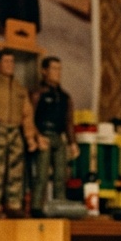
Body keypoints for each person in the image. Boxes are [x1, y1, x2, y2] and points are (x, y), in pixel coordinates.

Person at [0, 48, 38, 217]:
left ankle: (13, 204)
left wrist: (30, 137)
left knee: (16, 169)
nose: (10, 65)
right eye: (6, 61)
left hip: (16, 131)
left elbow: (27, 115)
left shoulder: (20, 89)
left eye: (12, 62)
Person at [30, 56, 79, 216]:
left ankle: (60, 204)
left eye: (59, 69)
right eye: (53, 69)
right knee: (41, 175)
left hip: (58, 138)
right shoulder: (37, 93)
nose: (57, 73)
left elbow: (68, 122)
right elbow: (28, 118)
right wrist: (37, 136)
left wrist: (72, 143)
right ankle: (36, 206)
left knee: (60, 174)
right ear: (44, 71)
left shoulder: (65, 97)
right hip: (43, 136)